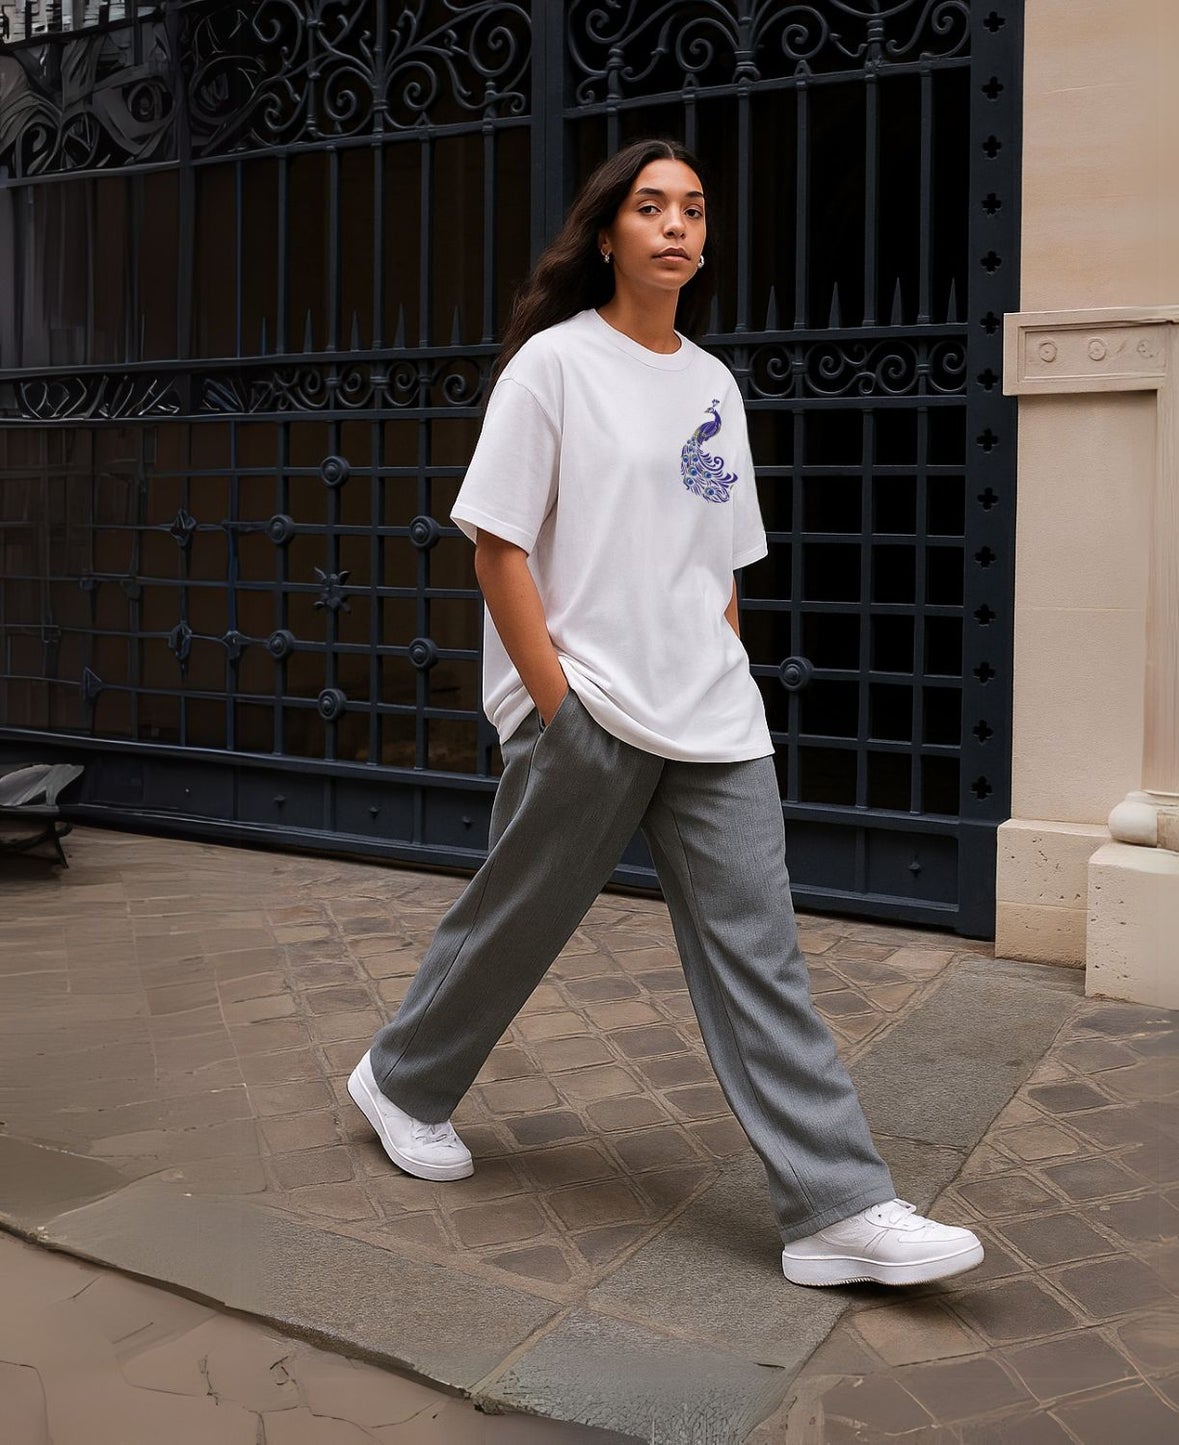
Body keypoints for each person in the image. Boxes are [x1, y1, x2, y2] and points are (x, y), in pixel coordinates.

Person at [348, 138, 984, 1289]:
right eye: (650, 207)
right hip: (589, 704)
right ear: (607, 233)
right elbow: (496, 547)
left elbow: (720, 558)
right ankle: (400, 1080)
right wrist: (557, 705)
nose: (676, 226)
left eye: (692, 208)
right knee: (518, 921)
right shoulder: (553, 366)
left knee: (762, 953)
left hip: (710, 712)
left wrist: (719, 660)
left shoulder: (711, 383)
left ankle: (833, 1208)